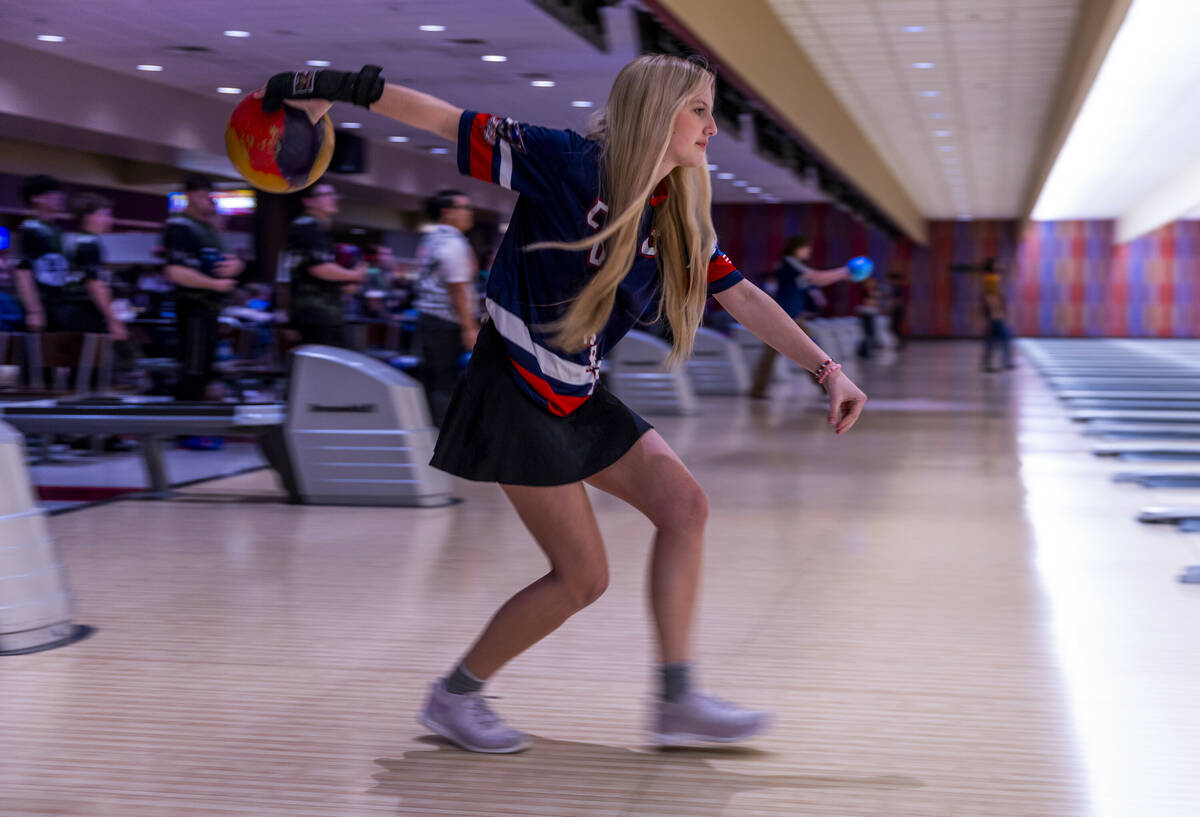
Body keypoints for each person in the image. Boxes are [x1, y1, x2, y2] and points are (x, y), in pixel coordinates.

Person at [261, 55, 866, 754]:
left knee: (684, 508)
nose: (712, 128)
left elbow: (744, 297)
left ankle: (677, 702)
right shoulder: (566, 161)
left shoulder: (672, 213)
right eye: (699, 109)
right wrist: (333, 90)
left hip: (577, 391)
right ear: (656, 110)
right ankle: (453, 698)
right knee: (582, 577)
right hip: (515, 389)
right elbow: (443, 119)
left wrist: (828, 370)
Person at [162, 174, 241, 401]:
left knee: (204, 370)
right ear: (188, 196)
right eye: (201, 196)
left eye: (209, 196)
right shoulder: (179, 226)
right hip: (193, 306)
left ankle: (195, 417)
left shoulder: (207, 228)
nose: (207, 201)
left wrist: (237, 265)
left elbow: (226, 260)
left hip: (210, 307)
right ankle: (185, 418)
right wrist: (215, 284)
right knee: (194, 371)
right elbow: (175, 272)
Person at [748, 235, 849, 398]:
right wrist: (844, 271)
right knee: (810, 351)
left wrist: (843, 274)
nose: (809, 251)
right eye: (806, 247)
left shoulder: (793, 266)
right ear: (797, 248)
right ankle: (825, 387)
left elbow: (817, 281)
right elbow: (816, 277)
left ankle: (757, 390)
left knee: (803, 352)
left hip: (788, 317)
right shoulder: (790, 263)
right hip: (785, 318)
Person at [413, 189, 481, 424]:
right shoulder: (453, 243)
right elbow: (457, 289)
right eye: (464, 208)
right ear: (447, 213)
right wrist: (469, 327)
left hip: (429, 319)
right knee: (445, 384)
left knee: (434, 381)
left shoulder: (430, 239)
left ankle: (431, 431)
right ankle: (443, 436)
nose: (470, 212)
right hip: (445, 322)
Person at [287, 182, 364, 346]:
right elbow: (318, 268)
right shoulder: (308, 227)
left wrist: (343, 284)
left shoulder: (313, 228)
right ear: (309, 202)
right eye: (326, 195)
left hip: (318, 310)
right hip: (316, 311)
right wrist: (354, 275)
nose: (333, 199)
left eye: (333, 195)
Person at [65, 192, 128, 341]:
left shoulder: (75, 241)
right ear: (89, 217)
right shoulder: (89, 245)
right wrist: (113, 321)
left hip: (70, 309)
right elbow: (94, 285)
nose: (110, 220)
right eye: (105, 214)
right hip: (84, 312)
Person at [13, 174, 69, 334]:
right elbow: (23, 271)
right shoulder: (30, 229)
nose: (59, 197)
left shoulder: (56, 229)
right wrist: (34, 310)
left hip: (57, 304)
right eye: (52, 193)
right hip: (40, 304)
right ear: (36, 198)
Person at [981, 265, 1014, 372]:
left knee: (993, 342)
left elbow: (993, 302)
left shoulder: (991, 285)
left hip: (996, 319)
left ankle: (991, 363)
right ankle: (1002, 362)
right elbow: (991, 303)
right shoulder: (991, 282)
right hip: (995, 319)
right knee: (999, 341)